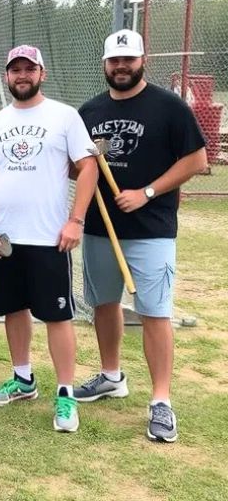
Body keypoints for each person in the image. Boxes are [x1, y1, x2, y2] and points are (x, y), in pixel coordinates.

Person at [74, 29, 208, 443]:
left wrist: (147, 192)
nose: (121, 67)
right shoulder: (89, 111)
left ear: (141, 60)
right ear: (104, 65)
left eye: (128, 60)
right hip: (101, 228)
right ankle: (112, 376)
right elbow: (76, 166)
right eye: (114, 61)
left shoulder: (170, 107)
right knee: (105, 305)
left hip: (152, 230)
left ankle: (161, 401)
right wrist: (81, 170)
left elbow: (197, 160)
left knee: (155, 311)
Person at [0, 44, 98, 433]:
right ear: (7, 76)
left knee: (57, 316)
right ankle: (23, 379)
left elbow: (88, 167)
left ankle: (65, 395)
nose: (21, 75)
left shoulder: (65, 116)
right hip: (6, 237)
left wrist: (76, 220)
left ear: (41, 73)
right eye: (15, 70)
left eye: (29, 69)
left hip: (49, 238)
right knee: (14, 309)